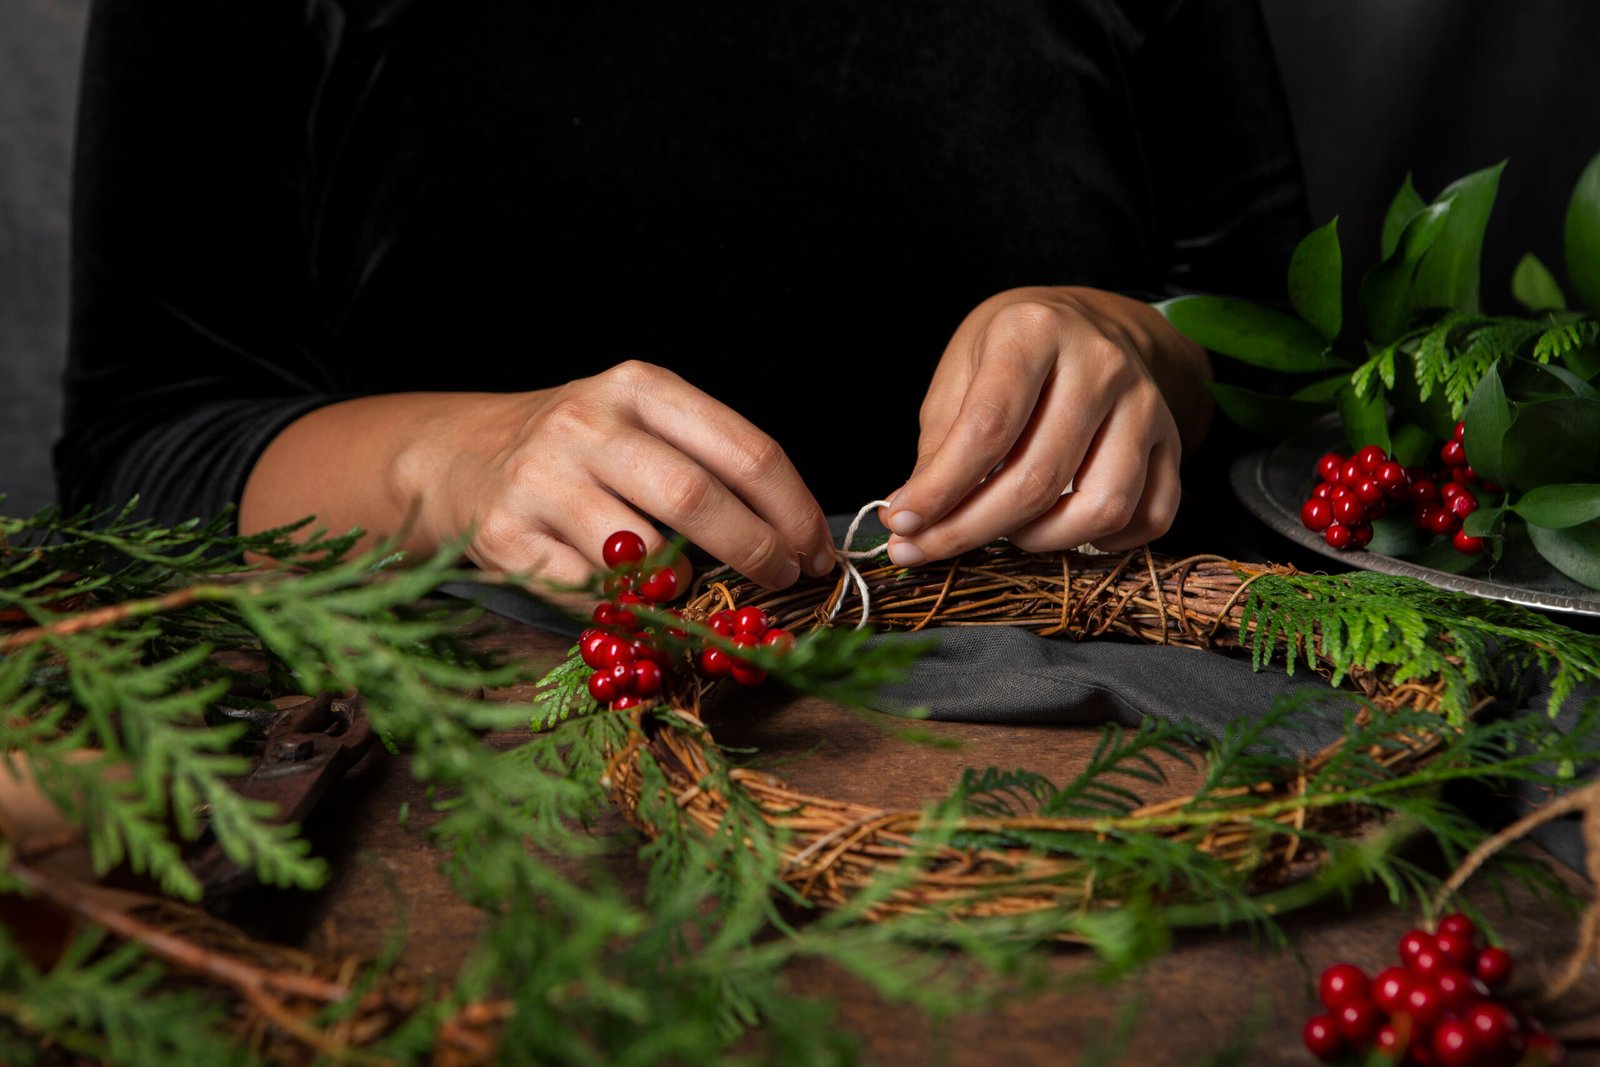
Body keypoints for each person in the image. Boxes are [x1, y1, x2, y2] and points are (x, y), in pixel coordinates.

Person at [57, 0, 1308, 593]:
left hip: (1079, 804)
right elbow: (144, 446)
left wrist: (1137, 347)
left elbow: (1285, 360)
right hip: (477, 796)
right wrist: (444, 463)